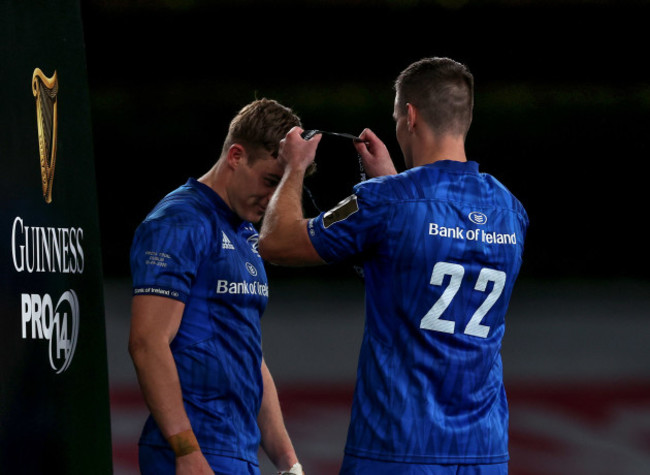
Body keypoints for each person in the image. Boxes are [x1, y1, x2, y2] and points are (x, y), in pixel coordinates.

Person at [258, 58, 529, 474]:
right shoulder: (509, 210)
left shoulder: (386, 203)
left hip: (397, 447)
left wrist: (295, 167)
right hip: (483, 452)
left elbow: (276, 242)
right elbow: (428, 253)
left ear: (411, 115)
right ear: (466, 117)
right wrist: (391, 178)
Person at [129, 98, 305, 475]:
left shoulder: (244, 234)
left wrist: (290, 464)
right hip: (192, 453)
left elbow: (249, 356)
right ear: (236, 156)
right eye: (272, 181)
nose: (276, 199)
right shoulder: (178, 221)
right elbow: (147, 342)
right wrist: (185, 451)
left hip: (236, 453)